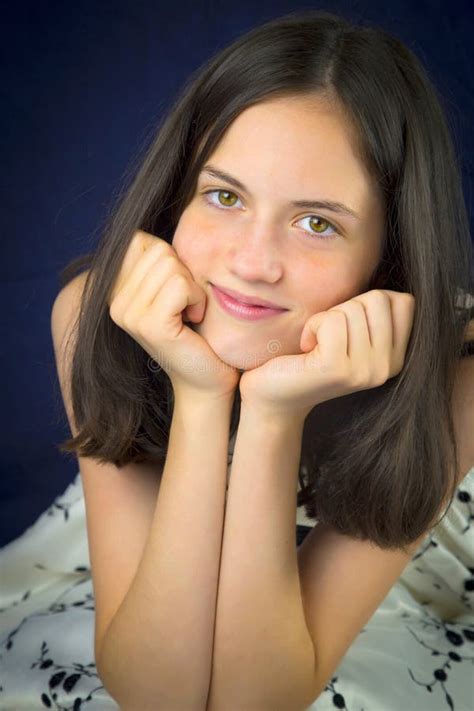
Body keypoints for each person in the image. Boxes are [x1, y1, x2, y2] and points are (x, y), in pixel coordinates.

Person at [1, 9, 473, 711]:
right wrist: (200, 393)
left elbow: (258, 699)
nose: (252, 264)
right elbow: (158, 695)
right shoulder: (96, 314)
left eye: (318, 222)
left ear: (390, 253)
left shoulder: (459, 373)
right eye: (223, 196)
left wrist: (276, 412)